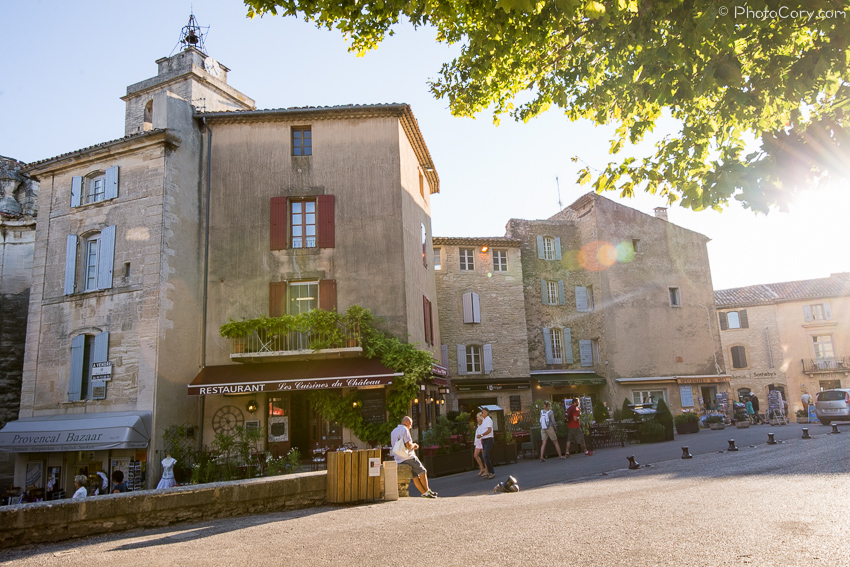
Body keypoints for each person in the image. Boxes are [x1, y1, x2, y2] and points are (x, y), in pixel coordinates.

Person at [391, 416, 437, 498]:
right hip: (408, 457)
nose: (410, 427)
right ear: (407, 422)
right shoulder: (405, 430)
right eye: (411, 425)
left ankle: (425, 493)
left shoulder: (393, 431)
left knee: (415, 476)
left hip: (399, 459)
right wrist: (415, 446)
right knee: (423, 471)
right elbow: (408, 445)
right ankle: (427, 491)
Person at [477, 407, 495, 479]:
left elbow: (489, 430)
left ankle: (491, 472)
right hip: (484, 439)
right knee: (485, 456)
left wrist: (481, 435)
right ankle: (489, 471)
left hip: (488, 439)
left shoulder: (488, 420)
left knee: (485, 455)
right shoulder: (484, 420)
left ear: (486, 413)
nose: (482, 414)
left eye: (483, 412)